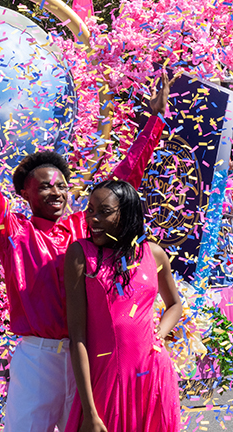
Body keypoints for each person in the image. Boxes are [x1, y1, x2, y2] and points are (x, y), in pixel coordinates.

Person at [0, 60, 171, 432]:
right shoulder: (12, 231)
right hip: (39, 358)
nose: (54, 192)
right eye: (44, 186)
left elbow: (126, 179)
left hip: (90, 357)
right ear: (24, 193)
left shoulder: (85, 227)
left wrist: (154, 123)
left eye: (60, 185)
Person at [63, 179, 182, 432]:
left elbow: (174, 305)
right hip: (108, 379)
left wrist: (159, 333)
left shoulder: (154, 253)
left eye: (104, 212)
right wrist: (90, 412)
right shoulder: (81, 254)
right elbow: (78, 338)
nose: (93, 219)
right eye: (90, 210)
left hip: (153, 374)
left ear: (126, 213)